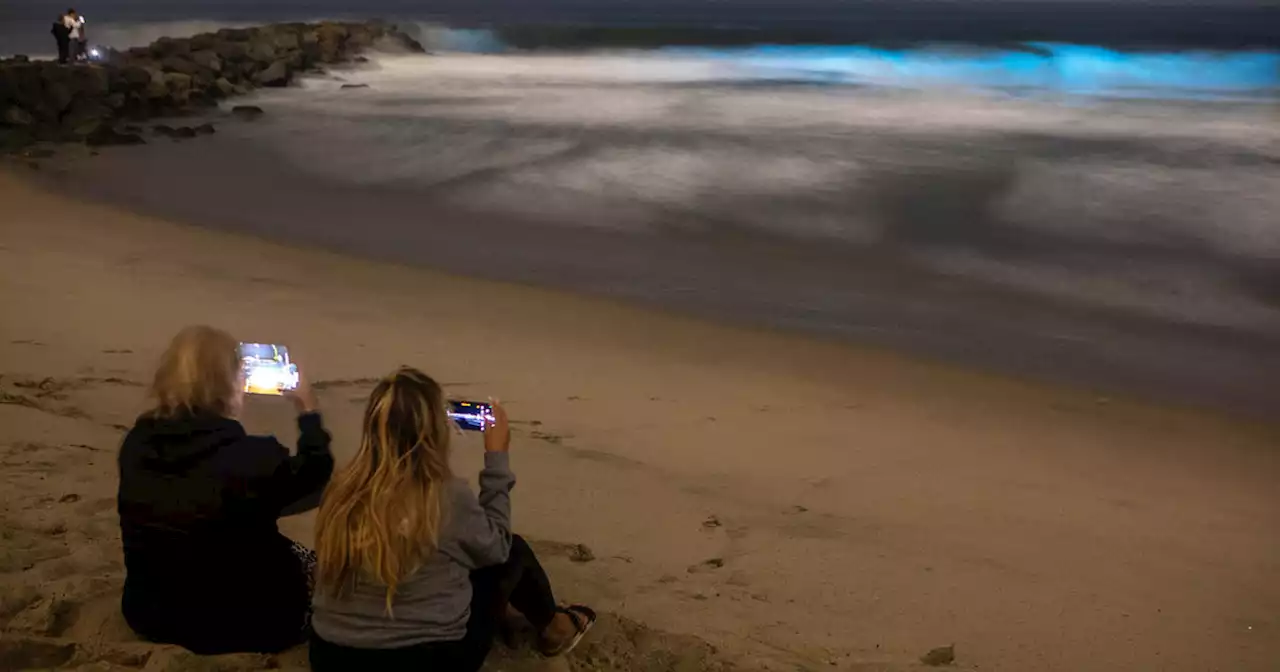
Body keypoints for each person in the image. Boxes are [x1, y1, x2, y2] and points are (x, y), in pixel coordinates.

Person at [309, 367, 595, 671]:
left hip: (331, 656)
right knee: (512, 551)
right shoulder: (443, 496)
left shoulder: (341, 489)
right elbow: (496, 546)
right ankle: (555, 628)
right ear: (436, 430)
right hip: (428, 660)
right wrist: (496, 457)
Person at [117, 325, 334, 655]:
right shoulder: (251, 459)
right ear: (228, 384)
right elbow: (316, 477)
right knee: (318, 567)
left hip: (150, 615)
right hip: (245, 626)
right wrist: (308, 411)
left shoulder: (136, 445)